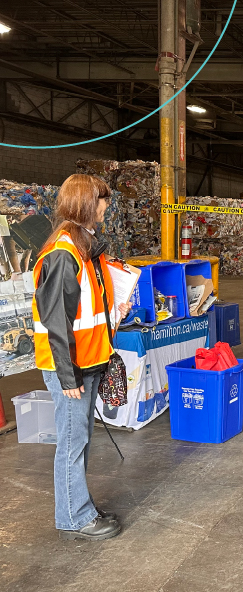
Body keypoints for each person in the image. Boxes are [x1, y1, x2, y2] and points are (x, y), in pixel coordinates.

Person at [32, 174, 132, 541]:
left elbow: (85, 310)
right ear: (86, 204)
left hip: (87, 360)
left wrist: (115, 310)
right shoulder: (64, 252)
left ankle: (79, 505)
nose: (106, 205)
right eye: (101, 199)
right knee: (72, 444)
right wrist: (68, 376)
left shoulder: (84, 247)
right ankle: (74, 516)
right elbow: (54, 320)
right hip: (71, 369)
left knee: (81, 440)